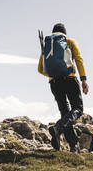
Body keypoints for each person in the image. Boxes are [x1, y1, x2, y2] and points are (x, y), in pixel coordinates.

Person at [38, 23, 89, 153]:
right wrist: (83, 79)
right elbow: (78, 59)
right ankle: (58, 127)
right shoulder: (69, 41)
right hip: (70, 79)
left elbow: (40, 69)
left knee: (65, 112)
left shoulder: (48, 45)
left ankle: (73, 146)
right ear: (64, 33)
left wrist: (53, 75)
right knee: (78, 108)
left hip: (54, 82)